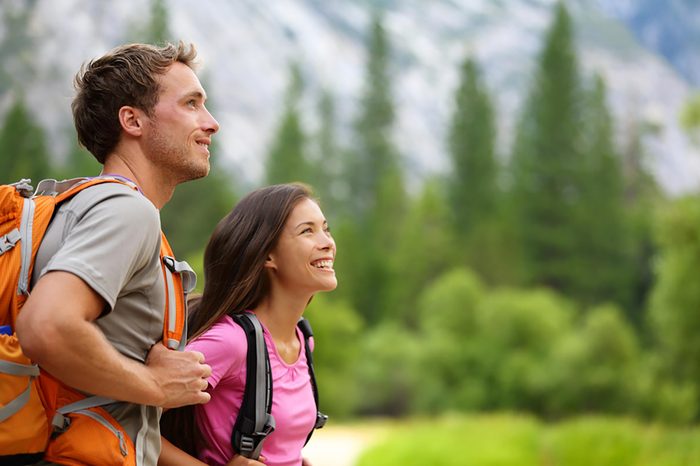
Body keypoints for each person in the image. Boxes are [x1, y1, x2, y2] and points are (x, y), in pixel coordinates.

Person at [15, 42, 219, 465]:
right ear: (133, 120)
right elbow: (47, 325)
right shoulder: (128, 211)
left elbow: (115, 413)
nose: (211, 123)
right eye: (191, 104)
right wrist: (155, 384)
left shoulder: (77, 206)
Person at [159, 183, 337, 466]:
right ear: (268, 255)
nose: (327, 241)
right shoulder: (231, 342)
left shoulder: (303, 338)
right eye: (307, 231)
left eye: (325, 229)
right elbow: (132, 421)